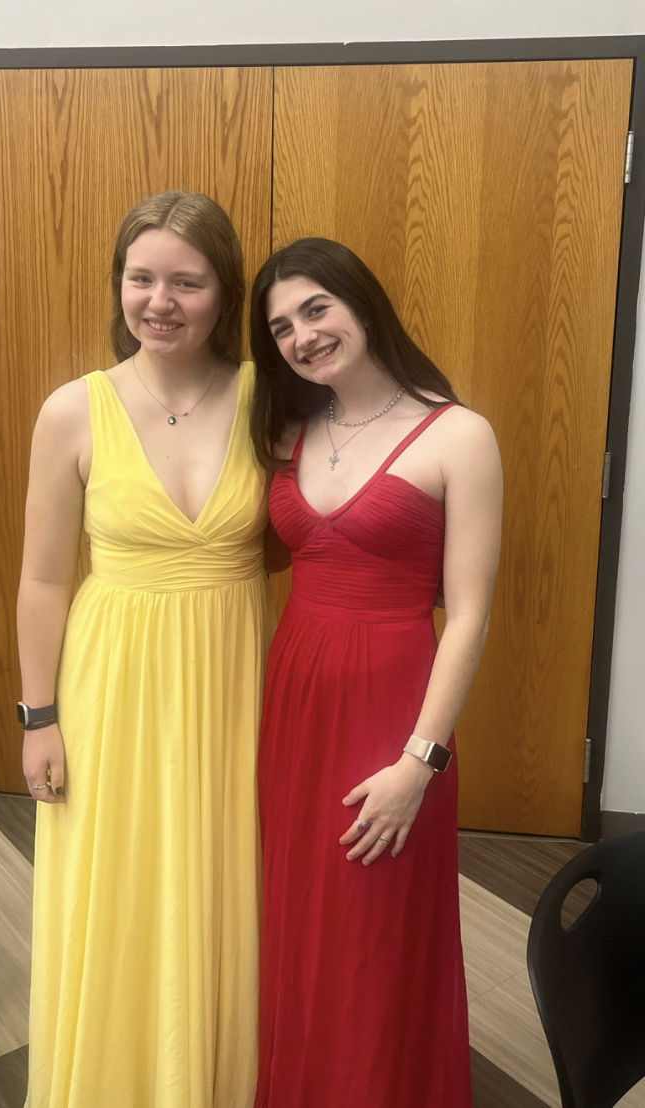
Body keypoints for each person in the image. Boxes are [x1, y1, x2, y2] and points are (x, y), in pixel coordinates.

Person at [17, 191, 274, 1108]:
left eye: (187, 282)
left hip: (233, 680)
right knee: (117, 893)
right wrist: (38, 717)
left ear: (225, 291)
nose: (159, 300)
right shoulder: (72, 411)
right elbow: (43, 578)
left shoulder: (266, 400)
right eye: (141, 278)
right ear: (119, 286)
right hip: (111, 686)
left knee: (222, 890)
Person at [249, 238, 502, 1108]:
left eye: (316, 308)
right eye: (281, 326)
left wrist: (419, 763)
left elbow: (467, 612)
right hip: (295, 699)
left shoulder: (459, 434)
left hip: (395, 710)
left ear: (361, 304)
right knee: (301, 912)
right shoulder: (291, 428)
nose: (302, 335)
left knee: (376, 921)